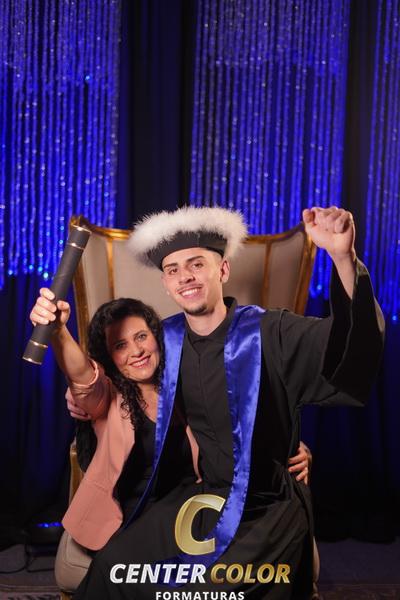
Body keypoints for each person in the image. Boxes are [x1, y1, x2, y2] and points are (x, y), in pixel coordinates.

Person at [65, 205, 383, 599]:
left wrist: (342, 258)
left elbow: (350, 351)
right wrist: (76, 395)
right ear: (166, 284)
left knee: (206, 591)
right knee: (115, 567)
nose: (185, 276)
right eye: (173, 269)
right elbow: (113, 383)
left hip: (267, 508)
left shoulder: (272, 330)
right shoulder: (166, 341)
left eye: (197, 264)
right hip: (204, 496)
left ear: (223, 270)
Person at [29, 293, 311, 587]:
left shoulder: (185, 382)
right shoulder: (107, 396)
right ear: (108, 356)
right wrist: (59, 332)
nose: (136, 351)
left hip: (186, 511)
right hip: (124, 516)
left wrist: (292, 446)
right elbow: (82, 377)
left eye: (141, 336)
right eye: (120, 345)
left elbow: (242, 419)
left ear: (157, 336)